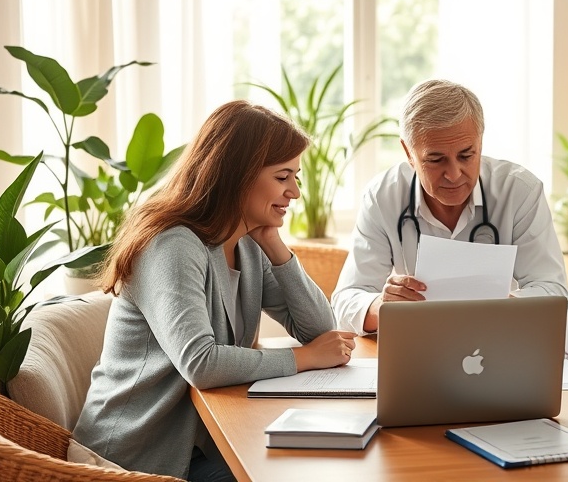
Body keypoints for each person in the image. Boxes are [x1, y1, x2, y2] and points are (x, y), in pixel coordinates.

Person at [73, 100, 357, 481]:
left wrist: (276, 246)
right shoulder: (172, 245)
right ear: (237, 176)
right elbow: (201, 363)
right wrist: (304, 358)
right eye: (283, 176)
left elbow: (322, 330)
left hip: (200, 443)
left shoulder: (247, 244)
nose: (295, 192)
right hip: (135, 457)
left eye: (296, 177)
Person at [332, 79, 568, 333]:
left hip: (498, 338)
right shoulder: (382, 196)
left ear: (481, 142)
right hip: (420, 344)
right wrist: (382, 306)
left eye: (466, 155)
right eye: (436, 159)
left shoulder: (520, 191)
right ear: (409, 153)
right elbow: (346, 302)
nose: (454, 174)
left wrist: (500, 308)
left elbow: (553, 291)